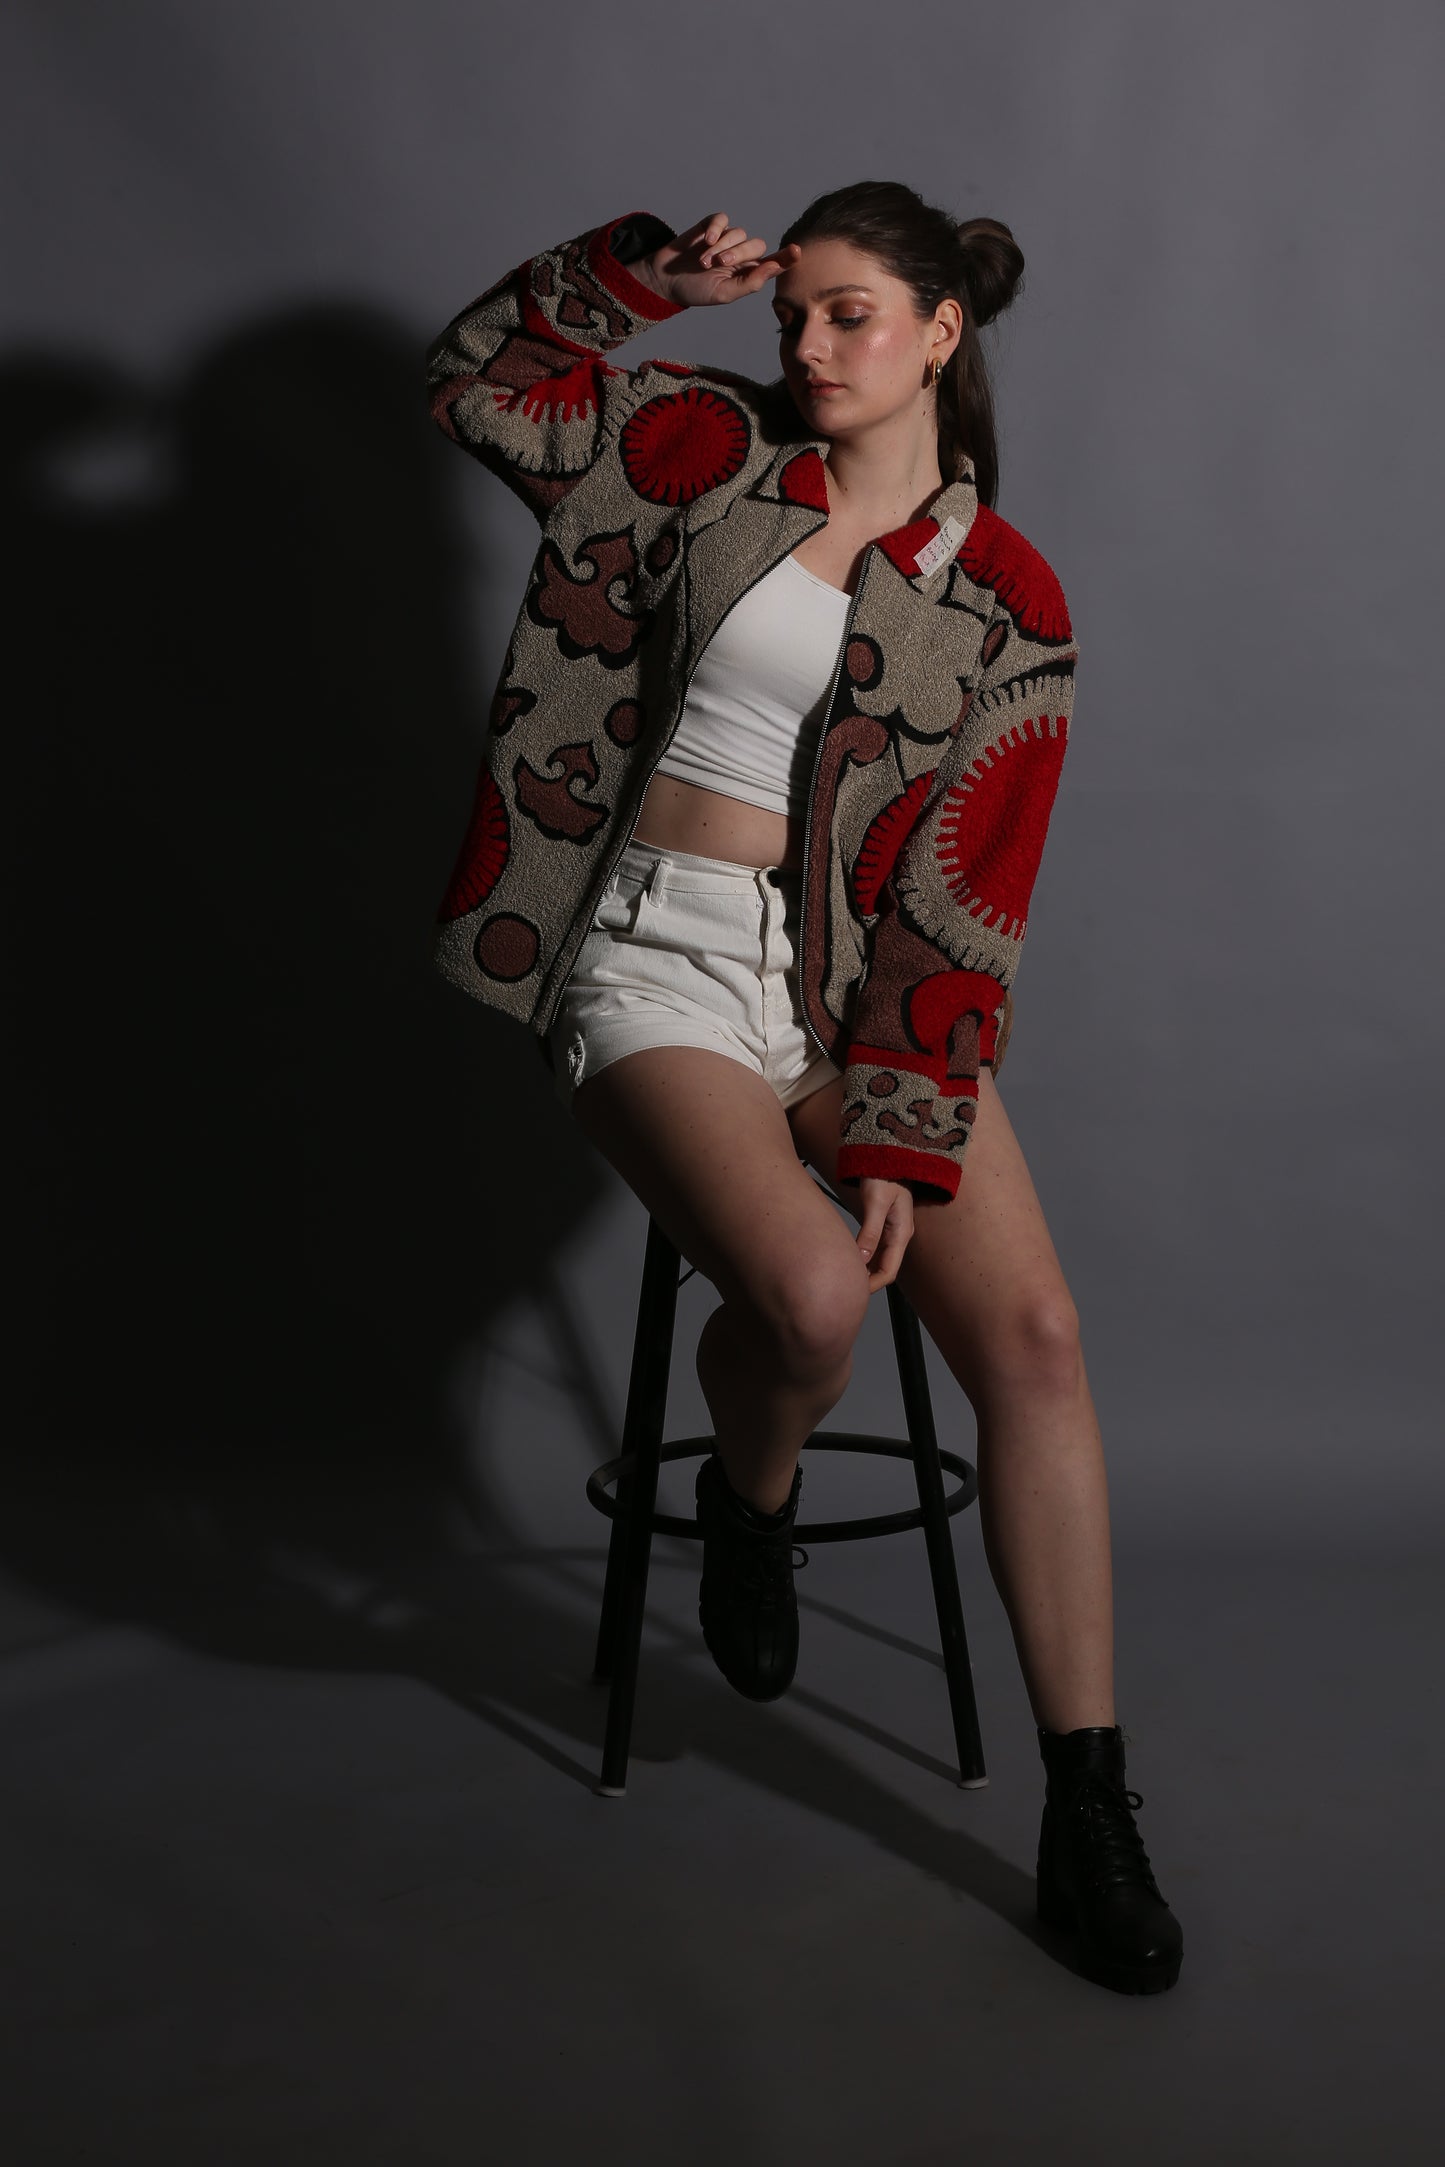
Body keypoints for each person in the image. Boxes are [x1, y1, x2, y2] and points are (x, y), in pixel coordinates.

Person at [425, 188, 1183, 1995]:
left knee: (1041, 1338)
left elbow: (964, 896)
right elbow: (477, 381)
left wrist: (906, 1119)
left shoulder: (1003, 598)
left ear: (939, 335)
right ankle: (748, 1505)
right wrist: (628, 275)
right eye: (796, 319)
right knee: (817, 1298)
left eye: (850, 318)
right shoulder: (695, 451)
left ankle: (1088, 1815)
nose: (806, 349)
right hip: (647, 951)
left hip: (843, 1002)